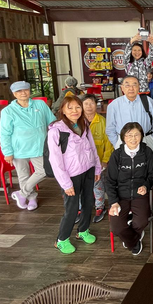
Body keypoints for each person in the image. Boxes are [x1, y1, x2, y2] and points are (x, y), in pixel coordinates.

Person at [48, 96, 102, 254]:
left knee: (88, 202)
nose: (74, 111)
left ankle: (83, 230)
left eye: (78, 107)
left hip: (88, 169)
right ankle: (62, 239)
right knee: (71, 208)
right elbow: (55, 160)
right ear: (63, 110)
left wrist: (97, 168)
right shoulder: (56, 130)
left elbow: (92, 147)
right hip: (71, 175)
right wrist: (66, 183)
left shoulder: (83, 123)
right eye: (70, 108)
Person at [0, 81, 56, 211]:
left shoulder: (40, 104)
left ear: (29, 91)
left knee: (43, 170)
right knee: (23, 176)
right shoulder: (8, 111)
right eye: (19, 91)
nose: (23, 93)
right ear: (14, 94)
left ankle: (21, 193)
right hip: (19, 149)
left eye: (25, 90)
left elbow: (52, 122)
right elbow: (5, 133)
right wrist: (7, 152)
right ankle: (31, 198)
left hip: (39, 146)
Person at [107, 122, 153, 256]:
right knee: (116, 227)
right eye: (129, 135)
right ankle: (134, 240)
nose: (133, 139)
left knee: (142, 221)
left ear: (141, 136)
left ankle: (130, 236)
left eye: (137, 135)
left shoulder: (146, 152)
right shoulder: (117, 155)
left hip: (139, 194)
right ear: (123, 137)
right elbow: (110, 181)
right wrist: (113, 202)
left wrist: (146, 185)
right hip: (120, 195)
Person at [106, 76, 153, 154]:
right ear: (122, 88)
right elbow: (110, 128)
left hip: (146, 140)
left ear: (139, 87)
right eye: (127, 85)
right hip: (123, 142)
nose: (131, 88)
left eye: (134, 85)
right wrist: (117, 143)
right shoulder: (114, 105)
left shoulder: (148, 101)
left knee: (147, 162)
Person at [81, 94, 114, 223]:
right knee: (80, 185)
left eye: (92, 103)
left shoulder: (103, 122)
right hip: (80, 162)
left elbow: (108, 143)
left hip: (97, 161)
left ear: (97, 105)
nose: (89, 106)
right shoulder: (77, 121)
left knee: (97, 184)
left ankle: (100, 207)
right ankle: (80, 208)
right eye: (86, 104)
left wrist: (105, 160)